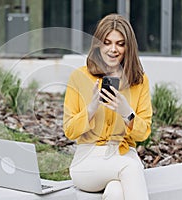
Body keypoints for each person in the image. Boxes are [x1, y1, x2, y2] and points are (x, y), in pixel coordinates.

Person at [63, 13, 152, 200]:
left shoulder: (140, 81)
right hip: (88, 160)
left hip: (124, 154)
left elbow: (144, 134)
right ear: (98, 44)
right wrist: (91, 108)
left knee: (116, 192)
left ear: (129, 47)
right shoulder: (79, 77)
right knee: (131, 168)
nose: (113, 49)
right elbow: (69, 131)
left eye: (120, 43)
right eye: (107, 42)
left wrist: (127, 113)